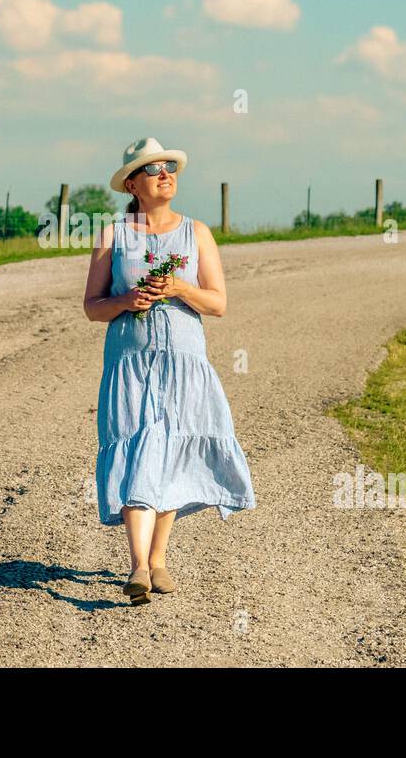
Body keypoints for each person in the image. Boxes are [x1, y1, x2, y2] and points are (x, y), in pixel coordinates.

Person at [82, 137, 257, 606]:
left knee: (173, 448)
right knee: (137, 448)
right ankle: (138, 566)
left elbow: (218, 303)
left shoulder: (197, 232)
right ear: (133, 185)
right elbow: (91, 307)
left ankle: (158, 558)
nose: (165, 174)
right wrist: (124, 301)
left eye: (169, 167)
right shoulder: (113, 235)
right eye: (153, 169)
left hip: (184, 361)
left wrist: (180, 287)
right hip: (129, 362)